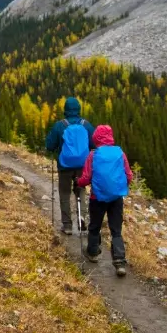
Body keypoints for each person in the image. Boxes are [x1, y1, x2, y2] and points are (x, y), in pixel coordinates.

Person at [76, 125, 132, 277]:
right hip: (116, 198)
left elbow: (86, 178)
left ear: (96, 138)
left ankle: (93, 253)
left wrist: (78, 182)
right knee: (116, 230)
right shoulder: (120, 153)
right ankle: (119, 262)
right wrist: (119, 187)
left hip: (97, 198)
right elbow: (129, 175)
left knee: (95, 226)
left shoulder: (93, 155)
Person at [45, 97, 95, 236]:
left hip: (64, 166)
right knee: (81, 190)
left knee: (65, 193)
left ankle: (67, 225)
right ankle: (82, 217)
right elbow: (94, 144)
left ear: (65, 109)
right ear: (78, 109)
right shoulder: (86, 125)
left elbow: (50, 145)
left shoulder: (60, 125)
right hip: (82, 165)